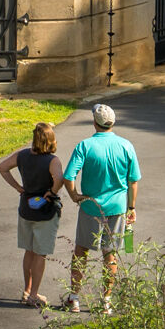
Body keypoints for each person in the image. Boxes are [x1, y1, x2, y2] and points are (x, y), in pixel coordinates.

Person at [61, 102, 140, 314]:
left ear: (95, 123)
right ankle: (106, 301)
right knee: (110, 254)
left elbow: (68, 177)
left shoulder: (85, 146)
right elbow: (133, 181)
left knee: (81, 250)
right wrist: (131, 207)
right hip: (117, 208)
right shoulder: (126, 146)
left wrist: (75, 196)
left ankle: (75, 298)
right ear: (112, 123)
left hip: (90, 207)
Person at [0, 121, 65, 307]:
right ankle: (34, 295)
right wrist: (51, 192)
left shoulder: (22, 155)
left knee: (29, 251)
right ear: (50, 140)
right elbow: (59, 178)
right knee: (40, 254)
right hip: (45, 210)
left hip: (26, 208)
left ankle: (27, 290)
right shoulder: (52, 160)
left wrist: (19, 188)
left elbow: (2, 167)